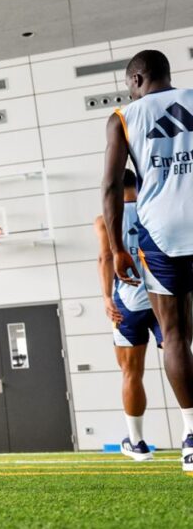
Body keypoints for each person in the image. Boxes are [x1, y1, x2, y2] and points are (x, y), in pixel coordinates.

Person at [103, 49, 193, 473]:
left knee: (175, 337)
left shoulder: (124, 117)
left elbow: (108, 187)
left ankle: (191, 436)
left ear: (137, 79)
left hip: (163, 237)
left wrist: (119, 248)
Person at [94, 168, 159, 461]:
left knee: (131, 372)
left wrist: (107, 297)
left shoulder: (104, 221)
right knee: (181, 359)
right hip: (164, 299)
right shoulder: (155, 208)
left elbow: (106, 257)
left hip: (127, 303)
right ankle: (190, 432)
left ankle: (137, 443)